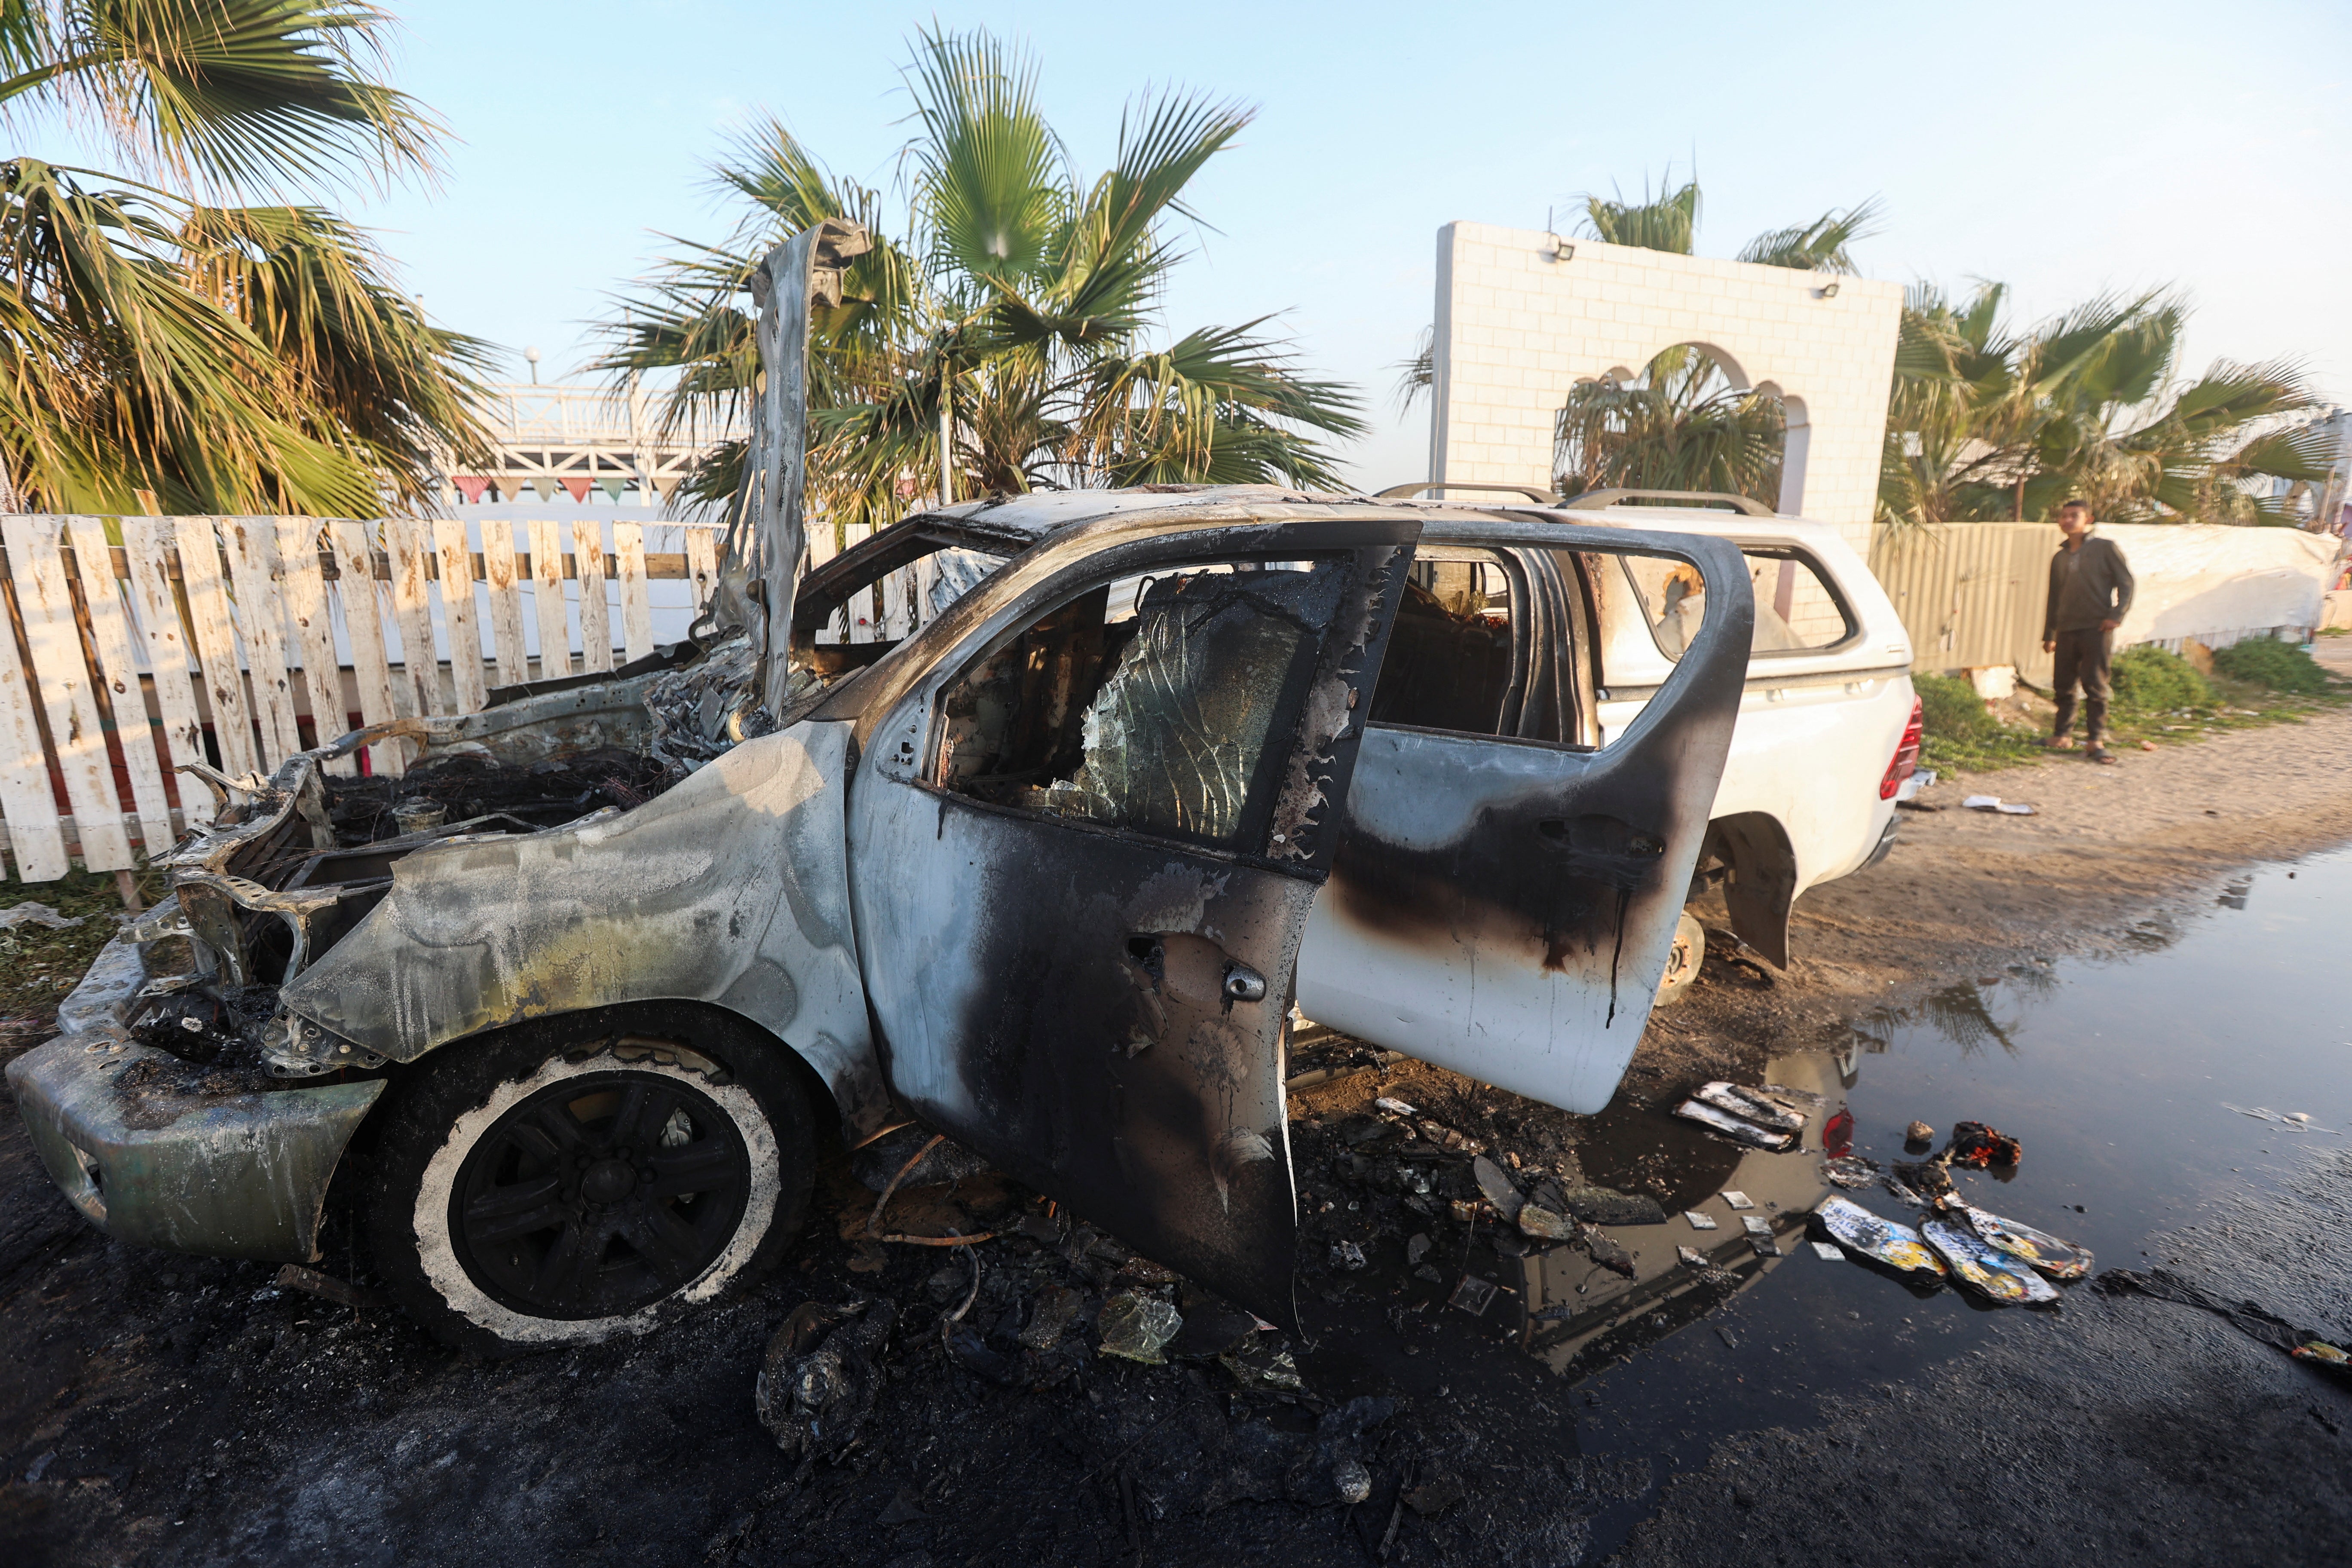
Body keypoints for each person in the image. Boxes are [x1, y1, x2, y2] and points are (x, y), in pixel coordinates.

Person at [2040, 499, 2134, 764]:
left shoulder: (2105, 549)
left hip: (2096, 628)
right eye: (2063, 516)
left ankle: (2095, 741)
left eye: (2074, 516)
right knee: (2063, 685)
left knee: (2095, 684)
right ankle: (2062, 736)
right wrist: (2050, 634)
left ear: (2088, 520)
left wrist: (2116, 616)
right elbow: (2054, 598)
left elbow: (2127, 584)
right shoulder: (2060, 556)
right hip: (2067, 629)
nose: (2067, 520)